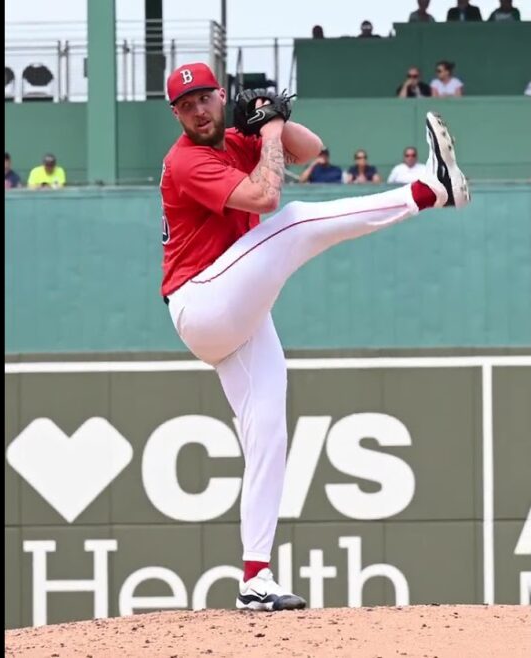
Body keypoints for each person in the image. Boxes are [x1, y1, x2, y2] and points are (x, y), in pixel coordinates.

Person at [157, 62, 470, 612]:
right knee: (297, 219)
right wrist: (270, 132)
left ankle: (256, 576)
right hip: (202, 302)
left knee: (268, 433)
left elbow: (312, 148)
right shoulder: (185, 161)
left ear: (218, 96)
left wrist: (277, 116)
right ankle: (427, 191)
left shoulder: (234, 137)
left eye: (205, 98)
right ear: (177, 115)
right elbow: (267, 199)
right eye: (186, 105)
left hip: (236, 310)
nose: (199, 110)